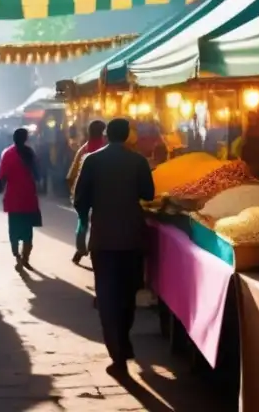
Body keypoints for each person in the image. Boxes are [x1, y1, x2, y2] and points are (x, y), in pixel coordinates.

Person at [74, 118, 155, 378]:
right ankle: (124, 340)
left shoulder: (92, 160)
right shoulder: (138, 161)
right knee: (128, 294)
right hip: (132, 238)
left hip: (104, 239)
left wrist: (88, 217)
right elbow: (149, 194)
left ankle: (117, 352)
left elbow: (80, 200)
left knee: (107, 297)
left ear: (107, 134)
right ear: (129, 135)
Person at [0, 128, 43, 270]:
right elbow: (37, 175)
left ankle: (16, 253)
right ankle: (25, 257)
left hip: (13, 197)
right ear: (26, 139)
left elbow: (2, 176)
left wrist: (0, 187)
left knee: (14, 228)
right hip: (28, 196)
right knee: (28, 230)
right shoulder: (30, 153)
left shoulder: (8, 154)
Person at [66, 120, 106, 265]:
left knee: (82, 223)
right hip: (101, 194)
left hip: (82, 193)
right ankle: (95, 250)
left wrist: (73, 192)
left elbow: (71, 175)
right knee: (99, 224)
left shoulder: (83, 149)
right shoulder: (105, 149)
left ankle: (80, 250)